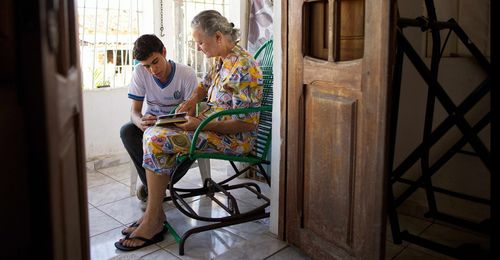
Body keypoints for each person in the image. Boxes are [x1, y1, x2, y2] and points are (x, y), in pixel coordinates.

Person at [115, 10, 263, 251]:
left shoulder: (244, 66)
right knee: (153, 132)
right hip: (211, 126)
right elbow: (203, 87)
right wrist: (193, 100)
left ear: (217, 37)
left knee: (155, 139)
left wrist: (200, 124)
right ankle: (154, 214)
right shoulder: (222, 59)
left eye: (200, 42)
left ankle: (153, 219)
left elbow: (247, 125)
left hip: (234, 139)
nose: (198, 47)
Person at [120, 34, 197, 200]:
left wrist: (169, 124)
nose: (153, 70)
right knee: (127, 131)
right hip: (151, 127)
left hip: (179, 128)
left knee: (193, 139)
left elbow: (191, 116)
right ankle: (154, 185)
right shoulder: (140, 72)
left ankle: (160, 184)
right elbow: (134, 112)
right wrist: (139, 122)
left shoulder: (187, 74)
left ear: (164, 52)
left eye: (155, 62)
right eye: (147, 66)